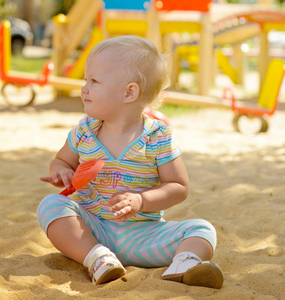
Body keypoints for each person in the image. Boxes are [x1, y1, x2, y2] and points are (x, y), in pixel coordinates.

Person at [37, 35, 223, 288]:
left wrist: (141, 200)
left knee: (202, 229)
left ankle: (185, 263)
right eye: (85, 80)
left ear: (129, 92)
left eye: (94, 81)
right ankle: (97, 258)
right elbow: (61, 161)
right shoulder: (84, 131)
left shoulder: (157, 137)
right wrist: (61, 171)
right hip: (92, 229)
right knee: (51, 205)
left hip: (143, 236)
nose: (84, 88)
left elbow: (178, 187)